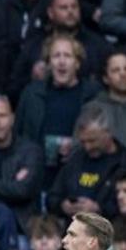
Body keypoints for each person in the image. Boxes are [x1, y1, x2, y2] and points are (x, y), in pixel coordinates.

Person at [6, 0, 112, 105]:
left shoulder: (98, 45)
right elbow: (13, 90)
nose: (70, 11)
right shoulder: (34, 45)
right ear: (50, 12)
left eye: (74, 6)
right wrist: (32, 78)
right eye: (64, 7)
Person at [16, 35, 101, 174]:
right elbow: (18, 135)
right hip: (38, 177)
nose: (62, 61)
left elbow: (103, 139)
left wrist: (78, 145)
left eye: (67, 56)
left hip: (82, 175)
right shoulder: (31, 93)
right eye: (56, 56)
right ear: (49, 63)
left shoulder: (94, 95)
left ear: (77, 63)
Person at [46, 104, 126, 220]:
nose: (87, 147)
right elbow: (52, 197)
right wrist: (63, 205)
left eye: (92, 141)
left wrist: (98, 209)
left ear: (108, 133)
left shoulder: (125, 162)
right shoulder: (76, 159)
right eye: (83, 142)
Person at [0, 94, 42, 226]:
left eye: (2, 115)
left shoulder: (30, 152)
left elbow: (23, 190)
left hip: (22, 228)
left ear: (12, 119)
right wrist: (11, 185)